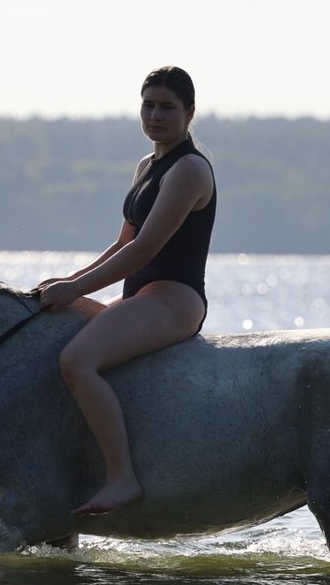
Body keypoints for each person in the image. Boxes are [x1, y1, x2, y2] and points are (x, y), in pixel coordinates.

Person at [37, 66, 217, 516]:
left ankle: (122, 479)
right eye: (148, 105)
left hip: (174, 300)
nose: (155, 115)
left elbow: (143, 250)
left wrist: (75, 288)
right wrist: (65, 285)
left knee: (77, 360)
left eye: (167, 107)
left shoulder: (190, 170)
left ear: (190, 113)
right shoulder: (147, 166)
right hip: (141, 298)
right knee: (47, 317)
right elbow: (121, 244)